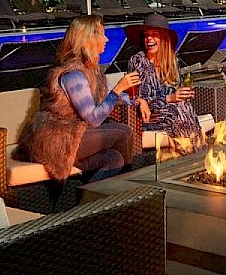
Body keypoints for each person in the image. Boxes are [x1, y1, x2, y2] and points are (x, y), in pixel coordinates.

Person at [15, 14, 138, 181]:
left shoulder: (92, 70)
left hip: (79, 134)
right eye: (102, 34)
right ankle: (127, 190)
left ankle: (94, 203)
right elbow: (94, 118)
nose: (107, 39)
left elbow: (114, 95)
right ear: (88, 39)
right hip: (59, 139)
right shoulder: (73, 74)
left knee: (114, 158)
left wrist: (139, 101)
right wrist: (117, 91)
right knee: (124, 133)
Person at [126, 13, 205, 156]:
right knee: (178, 111)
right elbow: (134, 99)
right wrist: (170, 98)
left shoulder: (172, 61)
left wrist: (183, 94)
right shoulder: (138, 61)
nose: (149, 39)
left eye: (154, 34)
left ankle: (194, 156)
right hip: (147, 116)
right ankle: (196, 157)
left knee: (183, 107)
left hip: (173, 111)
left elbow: (176, 92)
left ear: (163, 37)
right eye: (146, 35)